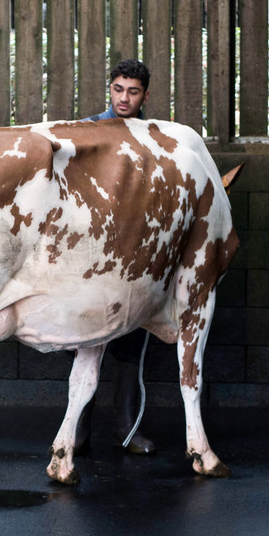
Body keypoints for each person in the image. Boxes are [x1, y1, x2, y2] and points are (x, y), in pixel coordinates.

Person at [77, 58, 156, 456]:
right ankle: (76, 433)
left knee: (130, 346)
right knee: (85, 344)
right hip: (92, 255)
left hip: (136, 255)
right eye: (118, 89)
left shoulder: (156, 136)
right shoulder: (89, 131)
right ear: (110, 88)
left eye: (133, 91)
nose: (124, 98)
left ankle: (128, 432)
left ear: (145, 94)